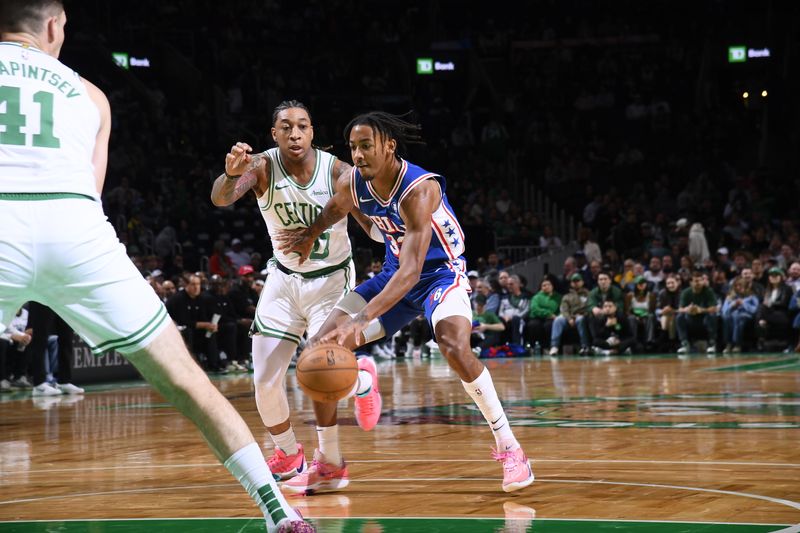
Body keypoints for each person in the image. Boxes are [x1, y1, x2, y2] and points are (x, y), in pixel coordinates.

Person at [0, 3, 311, 530]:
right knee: (190, 382)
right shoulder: (92, 96)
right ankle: (280, 514)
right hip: (75, 228)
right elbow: (91, 193)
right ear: (54, 26)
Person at [277, 111, 534, 494]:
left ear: (389, 146)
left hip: (439, 276)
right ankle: (331, 460)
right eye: (353, 147)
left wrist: (361, 319)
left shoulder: (419, 189)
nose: (359, 155)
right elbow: (336, 208)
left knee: (453, 345)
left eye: (366, 146)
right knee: (318, 350)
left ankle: (510, 448)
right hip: (392, 276)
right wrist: (310, 234)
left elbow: (413, 271)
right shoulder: (355, 182)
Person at [210, 100, 379, 483]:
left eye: (302, 126)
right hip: (284, 280)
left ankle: (355, 401)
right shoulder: (261, 166)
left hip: (332, 280)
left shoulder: (338, 171)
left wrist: (396, 231)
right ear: (274, 134)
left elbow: (369, 225)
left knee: (323, 372)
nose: (294, 133)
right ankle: (288, 453)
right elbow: (221, 197)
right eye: (285, 127)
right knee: (264, 379)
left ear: (312, 131)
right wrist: (228, 175)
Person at [676, 271, 719, 355]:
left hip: (704, 318)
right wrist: (687, 309)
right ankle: (685, 344)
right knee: (679, 317)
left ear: (703, 281)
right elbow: (680, 309)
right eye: (696, 281)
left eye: (700, 280)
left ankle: (712, 344)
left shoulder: (708, 291)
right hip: (691, 318)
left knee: (712, 315)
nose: (698, 283)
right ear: (691, 282)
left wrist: (701, 310)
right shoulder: (686, 292)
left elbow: (714, 308)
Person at [549, 273, 591, 356]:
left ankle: (585, 346)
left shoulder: (588, 294)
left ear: (582, 282)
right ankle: (554, 346)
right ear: (571, 283)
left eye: (578, 281)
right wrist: (569, 318)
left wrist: (583, 314)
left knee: (580, 319)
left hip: (582, 316)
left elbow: (589, 307)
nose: (576, 283)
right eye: (574, 281)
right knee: (558, 319)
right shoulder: (567, 296)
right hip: (569, 317)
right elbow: (564, 309)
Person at [721, 276, 758, 354]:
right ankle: (728, 344)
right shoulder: (729, 297)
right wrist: (732, 305)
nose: (738, 288)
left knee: (738, 317)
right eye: (736, 286)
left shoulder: (751, 296)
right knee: (726, 317)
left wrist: (743, 304)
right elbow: (724, 311)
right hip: (732, 315)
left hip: (745, 315)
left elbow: (755, 310)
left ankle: (737, 344)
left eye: (740, 285)